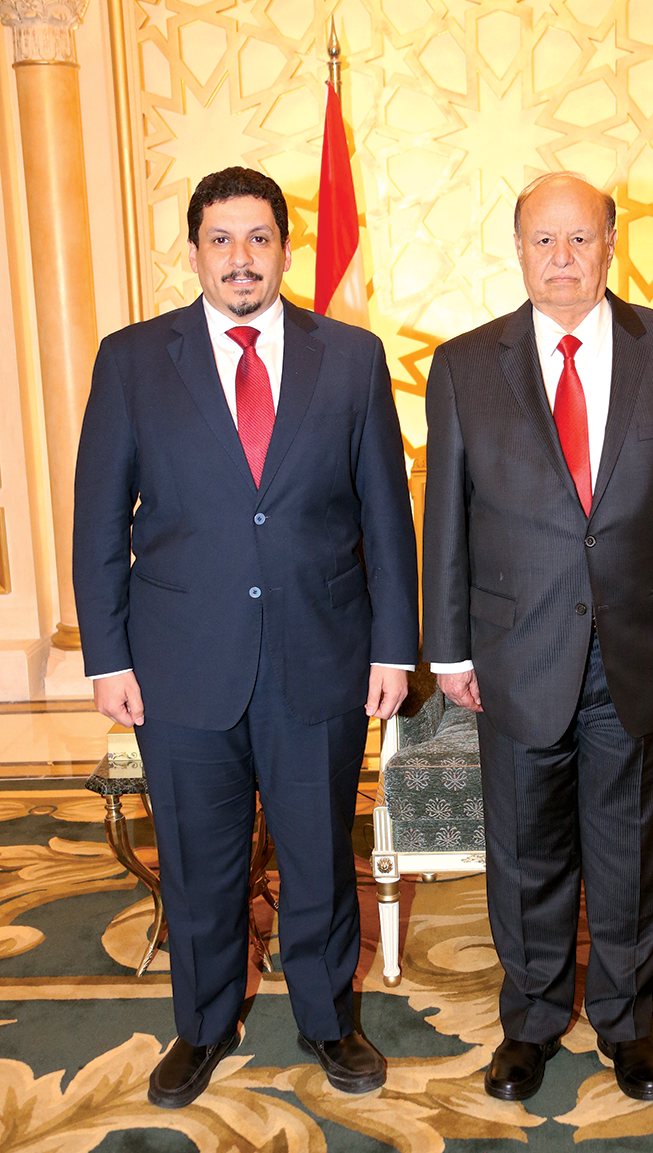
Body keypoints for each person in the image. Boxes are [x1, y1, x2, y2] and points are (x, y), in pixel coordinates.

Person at [73, 166, 418, 1107]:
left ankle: (326, 1020)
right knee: (198, 859)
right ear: (192, 253)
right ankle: (202, 1024)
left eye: (258, 238)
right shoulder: (134, 359)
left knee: (317, 854)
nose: (240, 258)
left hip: (322, 654)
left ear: (285, 247)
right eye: (221, 239)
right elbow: (99, 519)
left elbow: (386, 517)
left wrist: (394, 648)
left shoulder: (350, 357)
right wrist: (107, 656)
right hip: (180, 664)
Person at [422, 172, 653, 1103]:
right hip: (514, 654)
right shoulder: (464, 364)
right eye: (543, 241)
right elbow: (446, 516)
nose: (563, 259)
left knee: (634, 844)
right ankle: (529, 1023)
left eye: (580, 239)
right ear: (517, 251)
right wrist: (451, 650)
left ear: (612, 243)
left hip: (642, 647)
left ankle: (627, 1023)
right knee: (526, 850)